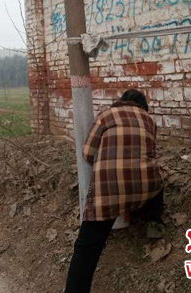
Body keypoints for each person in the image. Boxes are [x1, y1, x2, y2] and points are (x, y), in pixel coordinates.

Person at [64, 89, 165, 293]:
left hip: (108, 194)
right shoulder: (150, 121)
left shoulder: (106, 116)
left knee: (87, 247)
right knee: (158, 178)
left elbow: (87, 153)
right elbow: (150, 152)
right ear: (144, 107)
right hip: (145, 188)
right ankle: (153, 221)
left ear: (122, 101)